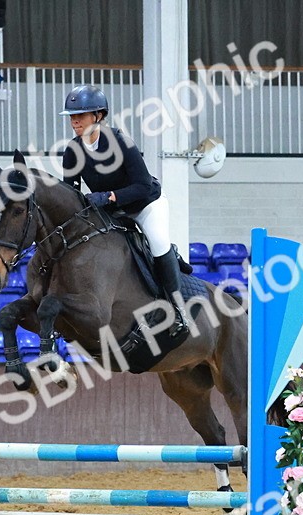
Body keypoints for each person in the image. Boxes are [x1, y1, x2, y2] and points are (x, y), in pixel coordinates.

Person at [58, 84, 188, 337]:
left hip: (145, 205)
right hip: (112, 211)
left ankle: (178, 309)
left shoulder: (121, 143)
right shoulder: (73, 151)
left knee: (159, 243)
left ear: (98, 116)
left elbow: (143, 185)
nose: (75, 122)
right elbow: (70, 192)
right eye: (72, 117)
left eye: (80, 116)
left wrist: (108, 196)